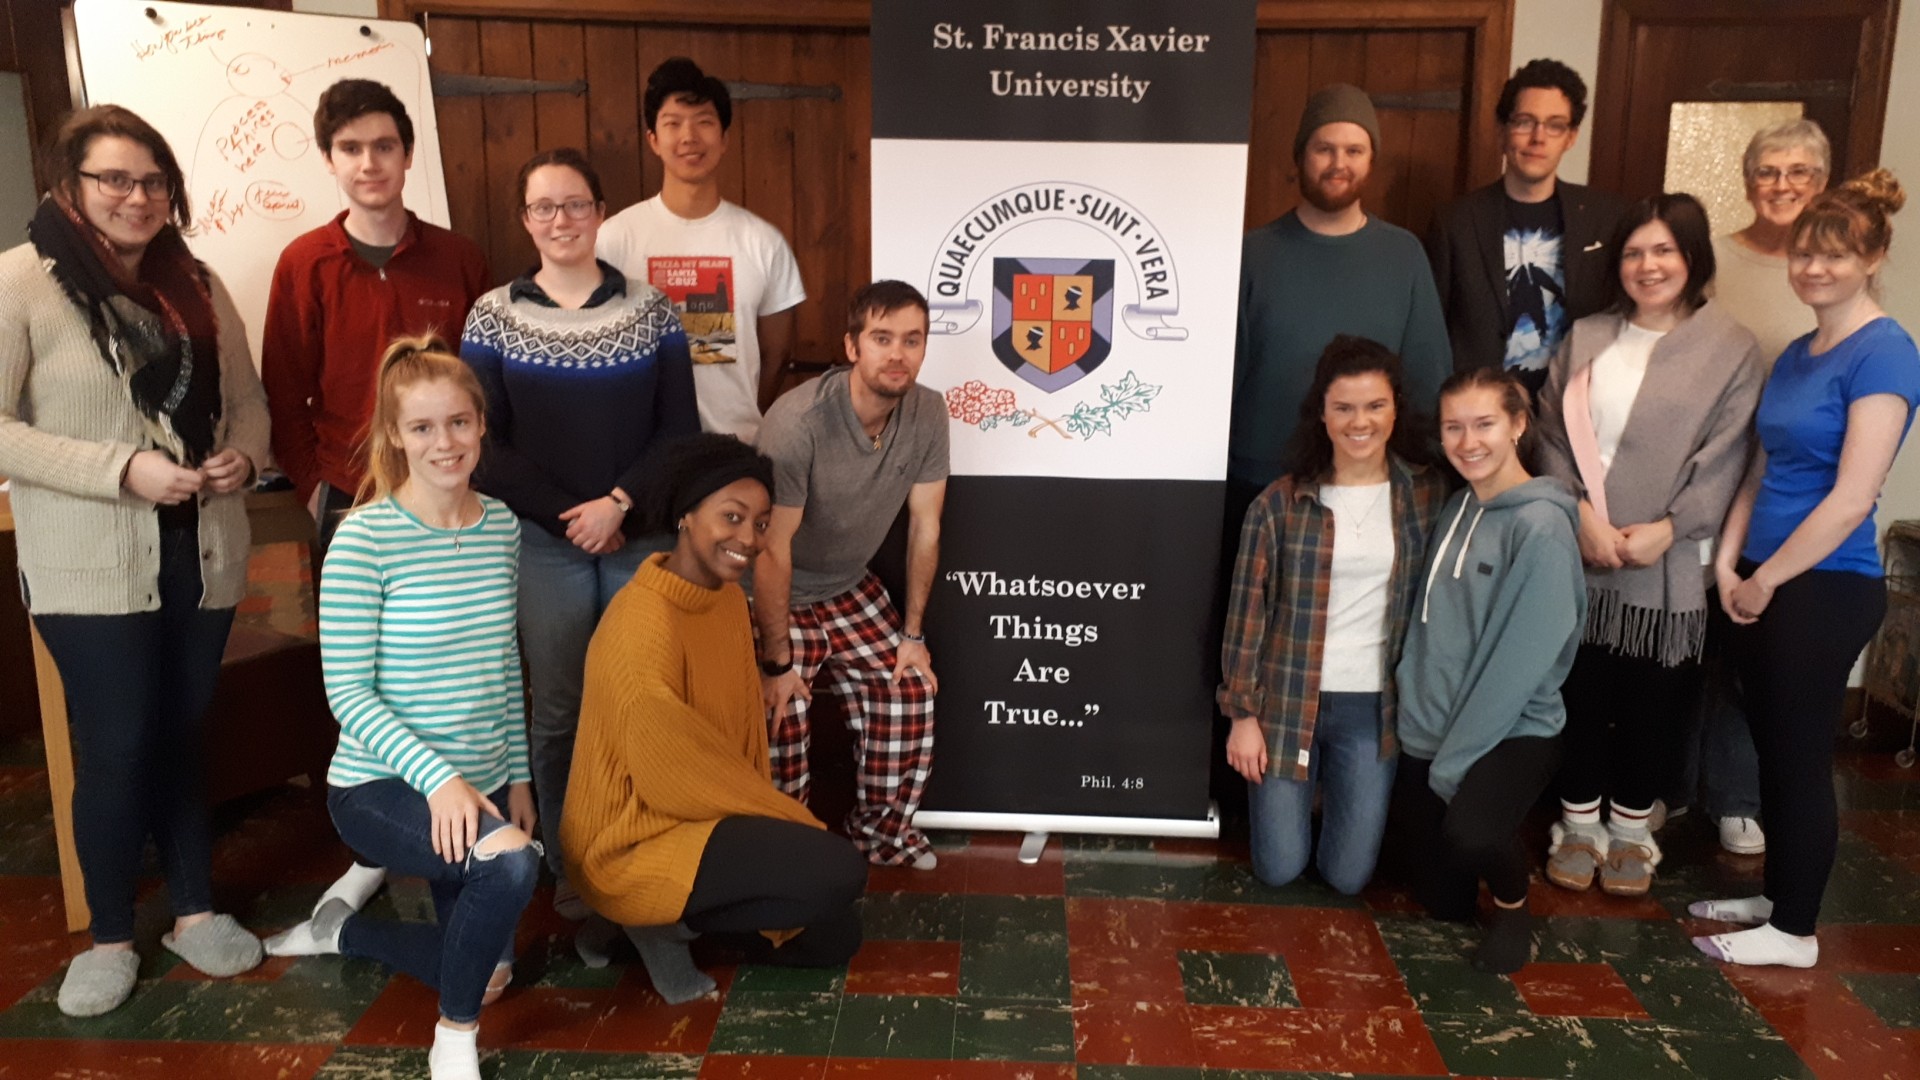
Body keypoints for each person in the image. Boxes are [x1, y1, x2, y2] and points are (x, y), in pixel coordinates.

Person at [0, 106, 268, 1017]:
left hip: (202, 553)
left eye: (152, 180)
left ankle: (195, 911)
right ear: (70, 187)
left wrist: (241, 457)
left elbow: (250, 404)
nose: (137, 196)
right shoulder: (20, 285)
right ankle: (110, 932)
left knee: (182, 735)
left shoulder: (197, 283)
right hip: (88, 567)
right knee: (115, 747)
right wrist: (121, 469)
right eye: (114, 178)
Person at [262, 78, 490, 927]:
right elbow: (284, 391)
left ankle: (450, 841)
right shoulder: (303, 264)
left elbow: (475, 386)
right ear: (331, 160)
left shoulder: (458, 258)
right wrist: (320, 489)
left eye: (384, 146)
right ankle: (380, 847)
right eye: (351, 148)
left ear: (407, 154)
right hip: (351, 506)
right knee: (368, 683)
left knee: (447, 672)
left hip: (445, 504)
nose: (369, 163)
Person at [458, 148, 699, 914]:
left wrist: (618, 504)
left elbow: (680, 433)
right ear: (525, 219)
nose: (560, 220)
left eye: (575, 204)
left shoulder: (654, 310)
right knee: (559, 706)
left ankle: (638, 848)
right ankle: (569, 866)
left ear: (600, 211)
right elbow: (485, 446)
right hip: (542, 541)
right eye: (543, 207)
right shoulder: (492, 316)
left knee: (640, 701)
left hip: (639, 535)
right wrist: (573, 514)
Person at [1692, 170, 1920, 969]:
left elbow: (1852, 497)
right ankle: (1774, 897)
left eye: (1835, 255)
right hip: (1759, 572)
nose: (1814, 269)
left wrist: (1767, 579)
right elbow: (1762, 471)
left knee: (1795, 755)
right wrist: (1728, 562)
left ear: (1873, 256)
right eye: (1805, 254)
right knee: (1768, 745)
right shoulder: (1798, 351)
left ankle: (1793, 933)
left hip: (1823, 585)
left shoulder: (1886, 352)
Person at [295, 335, 538, 1080]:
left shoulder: (501, 526)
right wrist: (438, 780)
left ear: (481, 427)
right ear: (395, 436)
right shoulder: (363, 538)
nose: (445, 442)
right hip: (384, 785)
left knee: (493, 969)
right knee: (510, 871)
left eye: (459, 423)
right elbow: (348, 694)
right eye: (424, 427)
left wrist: (518, 777)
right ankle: (453, 1036)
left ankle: (343, 932)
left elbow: (503, 665)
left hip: (482, 777)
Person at [562, 433, 868, 1004]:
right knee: (837, 871)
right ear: (685, 516)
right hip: (629, 839)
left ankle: (642, 923)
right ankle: (645, 920)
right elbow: (672, 774)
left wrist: (776, 827)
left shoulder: (726, 600)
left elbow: (735, 737)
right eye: (731, 517)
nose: (748, 538)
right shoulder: (642, 623)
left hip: (695, 814)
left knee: (834, 935)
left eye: (759, 524)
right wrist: (784, 818)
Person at [1534, 194, 1764, 897]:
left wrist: (1670, 527)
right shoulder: (1588, 336)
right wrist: (1577, 514)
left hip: (1667, 562)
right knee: (1579, 688)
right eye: (1635, 252)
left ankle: (1633, 830)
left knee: (1652, 700)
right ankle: (1576, 824)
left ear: (1692, 258)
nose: (1648, 265)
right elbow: (1547, 430)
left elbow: (1731, 453)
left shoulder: (1730, 347)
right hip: (1582, 550)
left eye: (1664, 250)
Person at [1221, 336, 1448, 895]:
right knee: (1278, 869)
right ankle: (1301, 797)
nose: (1359, 422)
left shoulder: (1428, 493)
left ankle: (1330, 796)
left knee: (1348, 879)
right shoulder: (1280, 502)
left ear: (1396, 407)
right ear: (1321, 413)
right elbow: (1246, 615)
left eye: (1374, 406)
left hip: (1373, 709)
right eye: (1343, 407)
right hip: (1288, 702)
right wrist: (1242, 716)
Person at [1389, 367, 1585, 974]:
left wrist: (1455, 761)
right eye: (1454, 428)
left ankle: (1514, 905)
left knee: (1472, 835)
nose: (1468, 442)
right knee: (1439, 900)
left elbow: (1515, 668)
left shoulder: (1542, 527)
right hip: (1432, 726)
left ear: (1519, 426)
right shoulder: (1457, 506)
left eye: (1484, 425)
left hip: (1511, 729)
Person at [755, 280, 948, 869]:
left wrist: (913, 637)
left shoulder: (929, 410)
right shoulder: (799, 422)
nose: (898, 354)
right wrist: (777, 661)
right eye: (882, 338)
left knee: (909, 689)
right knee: (780, 714)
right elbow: (772, 550)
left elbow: (925, 528)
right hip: (779, 591)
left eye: (912, 340)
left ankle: (882, 835)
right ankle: (788, 851)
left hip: (847, 584)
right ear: (851, 346)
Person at [1691, 119, 1832, 856]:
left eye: (1798, 173)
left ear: (1822, 183)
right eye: (1768, 172)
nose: (1781, 186)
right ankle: (1668, 787)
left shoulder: (1831, 268)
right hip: (1708, 470)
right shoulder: (1714, 263)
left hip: (1786, 483)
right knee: (1693, 637)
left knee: (1756, 643)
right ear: (1747, 183)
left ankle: (1737, 795)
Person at [1228, 82, 1451, 520]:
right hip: (1259, 483)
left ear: (1371, 160)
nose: (1338, 164)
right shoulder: (1253, 254)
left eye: (1354, 151)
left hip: (1365, 488)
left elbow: (1427, 378)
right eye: (1324, 149)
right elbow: (1223, 377)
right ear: (1300, 156)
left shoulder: (1403, 255)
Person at [598, 57, 806, 441]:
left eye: (705, 122)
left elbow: (777, 356)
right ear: (653, 140)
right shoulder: (612, 238)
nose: (689, 136)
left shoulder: (763, 242)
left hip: (734, 451)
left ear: (725, 139)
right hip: (639, 455)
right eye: (673, 123)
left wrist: (743, 420)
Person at [1427, 59, 1628, 395]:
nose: (1538, 138)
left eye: (1555, 125)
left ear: (1571, 137)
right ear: (1502, 129)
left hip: (1574, 413)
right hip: (1481, 415)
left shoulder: (1606, 218)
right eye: (1524, 122)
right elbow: (1432, 333)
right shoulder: (1456, 221)